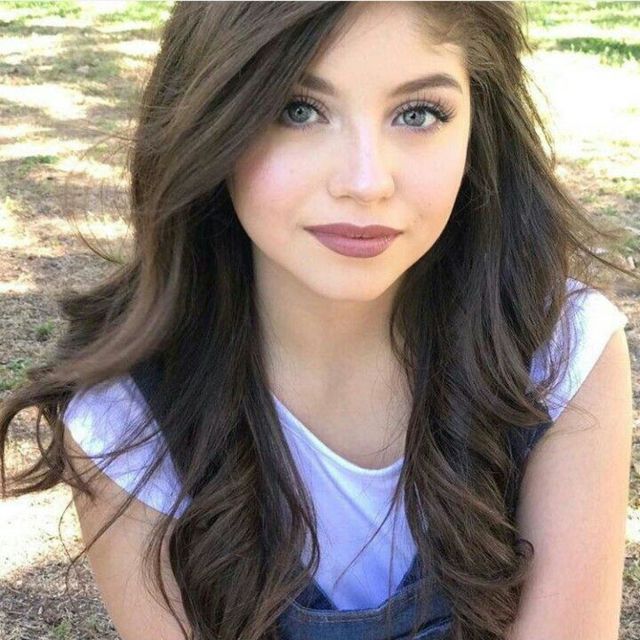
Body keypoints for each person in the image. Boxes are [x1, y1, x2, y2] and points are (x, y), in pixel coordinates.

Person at [0, 2, 635, 639]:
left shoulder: (561, 356)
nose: (366, 181)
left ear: (478, 128)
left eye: (418, 114)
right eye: (297, 110)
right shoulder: (128, 421)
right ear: (211, 121)